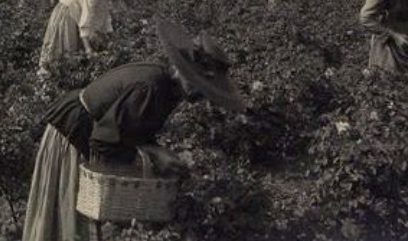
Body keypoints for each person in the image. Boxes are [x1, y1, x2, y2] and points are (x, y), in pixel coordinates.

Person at [21, 17, 246, 241]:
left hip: (88, 128)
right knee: (68, 215)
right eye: (201, 86)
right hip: (72, 133)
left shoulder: (168, 89)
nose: (201, 95)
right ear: (185, 72)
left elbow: (132, 131)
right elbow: (103, 140)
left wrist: (157, 152)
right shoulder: (152, 87)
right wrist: (146, 158)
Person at [38, 0, 145, 72]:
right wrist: (88, 49)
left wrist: (111, 38)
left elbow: (105, 17)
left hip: (76, 16)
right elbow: (86, 20)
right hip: (68, 14)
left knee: (78, 53)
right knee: (66, 52)